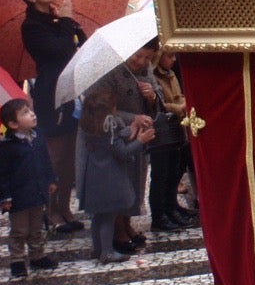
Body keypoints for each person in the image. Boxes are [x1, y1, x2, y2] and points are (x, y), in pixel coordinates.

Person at [19, 0, 87, 233]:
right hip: (52, 92)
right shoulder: (32, 26)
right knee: (56, 155)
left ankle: (65, 207)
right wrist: (66, 20)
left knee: (71, 155)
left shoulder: (56, 18)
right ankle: (50, 211)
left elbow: (80, 42)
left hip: (73, 88)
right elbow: (58, 51)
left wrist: (69, 21)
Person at [77, 85, 154, 264]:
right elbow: (121, 151)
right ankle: (107, 251)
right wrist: (140, 141)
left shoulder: (91, 126)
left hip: (94, 179)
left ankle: (97, 249)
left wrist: (130, 130)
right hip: (109, 180)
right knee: (108, 218)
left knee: (98, 217)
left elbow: (115, 138)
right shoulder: (108, 126)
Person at [0, 97, 59, 279]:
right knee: (20, 230)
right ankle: (17, 260)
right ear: (13, 124)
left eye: (30, 111)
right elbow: (2, 175)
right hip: (19, 196)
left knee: (37, 227)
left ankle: (37, 255)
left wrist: (51, 179)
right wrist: (4, 197)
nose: (32, 114)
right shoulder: (6, 148)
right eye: (25, 113)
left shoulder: (38, 137)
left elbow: (46, 160)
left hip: (38, 191)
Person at [152, 46, 197, 227]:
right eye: (169, 56)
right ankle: (160, 214)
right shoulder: (154, 77)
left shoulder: (170, 74)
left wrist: (184, 102)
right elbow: (161, 104)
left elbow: (177, 96)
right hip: (163, 131)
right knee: (162, 173)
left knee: (175, 169)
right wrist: (180, 107)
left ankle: (172, 207)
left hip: (176, 127)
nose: (173, 60)